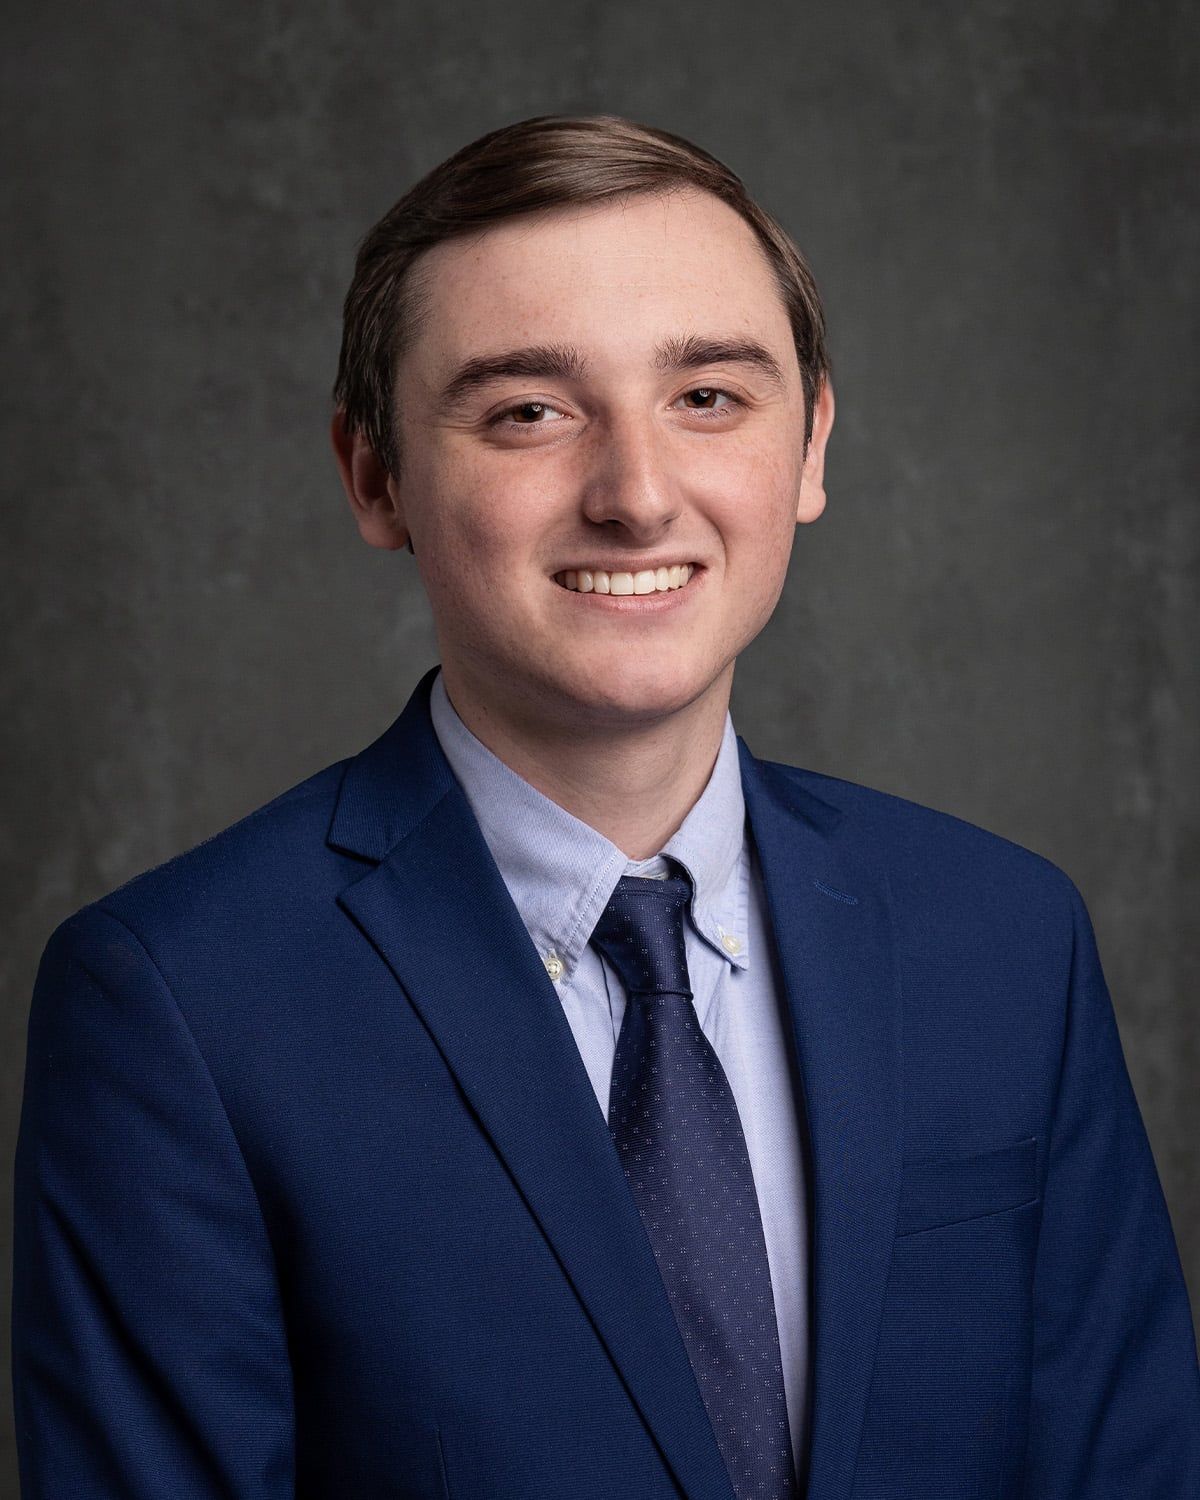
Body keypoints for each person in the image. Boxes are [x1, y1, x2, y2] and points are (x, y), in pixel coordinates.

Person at [11, 114, 1200, 1500]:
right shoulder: (182, 1004)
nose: (636, 495)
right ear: (374, 474)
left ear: (811, 444)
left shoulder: (1003, 939)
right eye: (529, 410)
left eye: (708, 396)